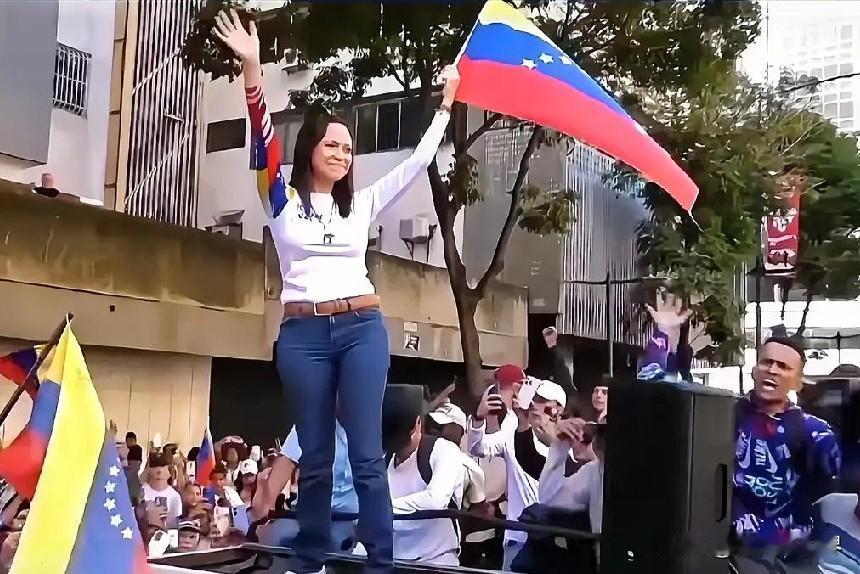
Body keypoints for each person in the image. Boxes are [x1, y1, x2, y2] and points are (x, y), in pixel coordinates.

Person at [213, 9, 459, 574]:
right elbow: (263, 140)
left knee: (367, 455)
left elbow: (419, 160)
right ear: (310, 149)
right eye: (332, 144)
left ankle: (380, 564)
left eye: (349, 148)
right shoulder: (280, 198)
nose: (342, 154)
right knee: (317, 456)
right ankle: (310, 561)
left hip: (360, 327)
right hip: (302, 334)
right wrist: (253, 70)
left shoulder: (362, 204)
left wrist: (446, 103)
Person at [732, 337, 841, 574]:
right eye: (766, 362)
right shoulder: (723, 414)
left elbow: (838, 474)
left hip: (789, 554)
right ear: (754, 370)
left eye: (783, 366)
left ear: (797, 382)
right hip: (729, 546)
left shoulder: (815, 432)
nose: (772, 370)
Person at [468, 378, 564, 570]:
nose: (534, 404)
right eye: (534, 398)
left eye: (540, 400)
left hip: (555, 541)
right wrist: (478, 418)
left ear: (556, 409)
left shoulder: (569, 443)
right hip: (517, 538)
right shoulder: (512, 432)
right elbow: (477, 448)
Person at [253, 420, 359, 554]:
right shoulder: (309, 423)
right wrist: (266, 506)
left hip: (351, 519)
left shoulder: (370, 425)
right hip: (308, 515)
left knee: (339, 544)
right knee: (272, 536)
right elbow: (284, 465)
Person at [388, 412, 467, 566]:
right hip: (394, 559)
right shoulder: (384, 458)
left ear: (417, 423)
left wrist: (383, 507)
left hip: (435, 559)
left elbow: (436, 499)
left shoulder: (443, 450)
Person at [142, 454, 183, 527]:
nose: (159, 472)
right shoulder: (141, 492)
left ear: (170, 473)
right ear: (149, 471)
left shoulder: (174, 496)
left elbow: (174, 523)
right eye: (155, 467)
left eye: (163, 468)